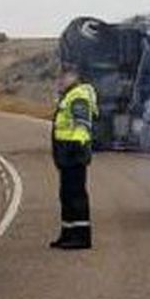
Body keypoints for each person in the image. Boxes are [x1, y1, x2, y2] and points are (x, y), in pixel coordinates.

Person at [50, 62, 99, 250]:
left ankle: (81, 237)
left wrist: (77, 148)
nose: (60, 81)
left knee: (76, 196)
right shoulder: (69, 95)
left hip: (74, 154)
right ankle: (67, 233)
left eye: (63, 77)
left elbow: (82, 126)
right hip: (66, 155)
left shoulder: (78, 96)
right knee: (66, 195)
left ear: (74, 77)